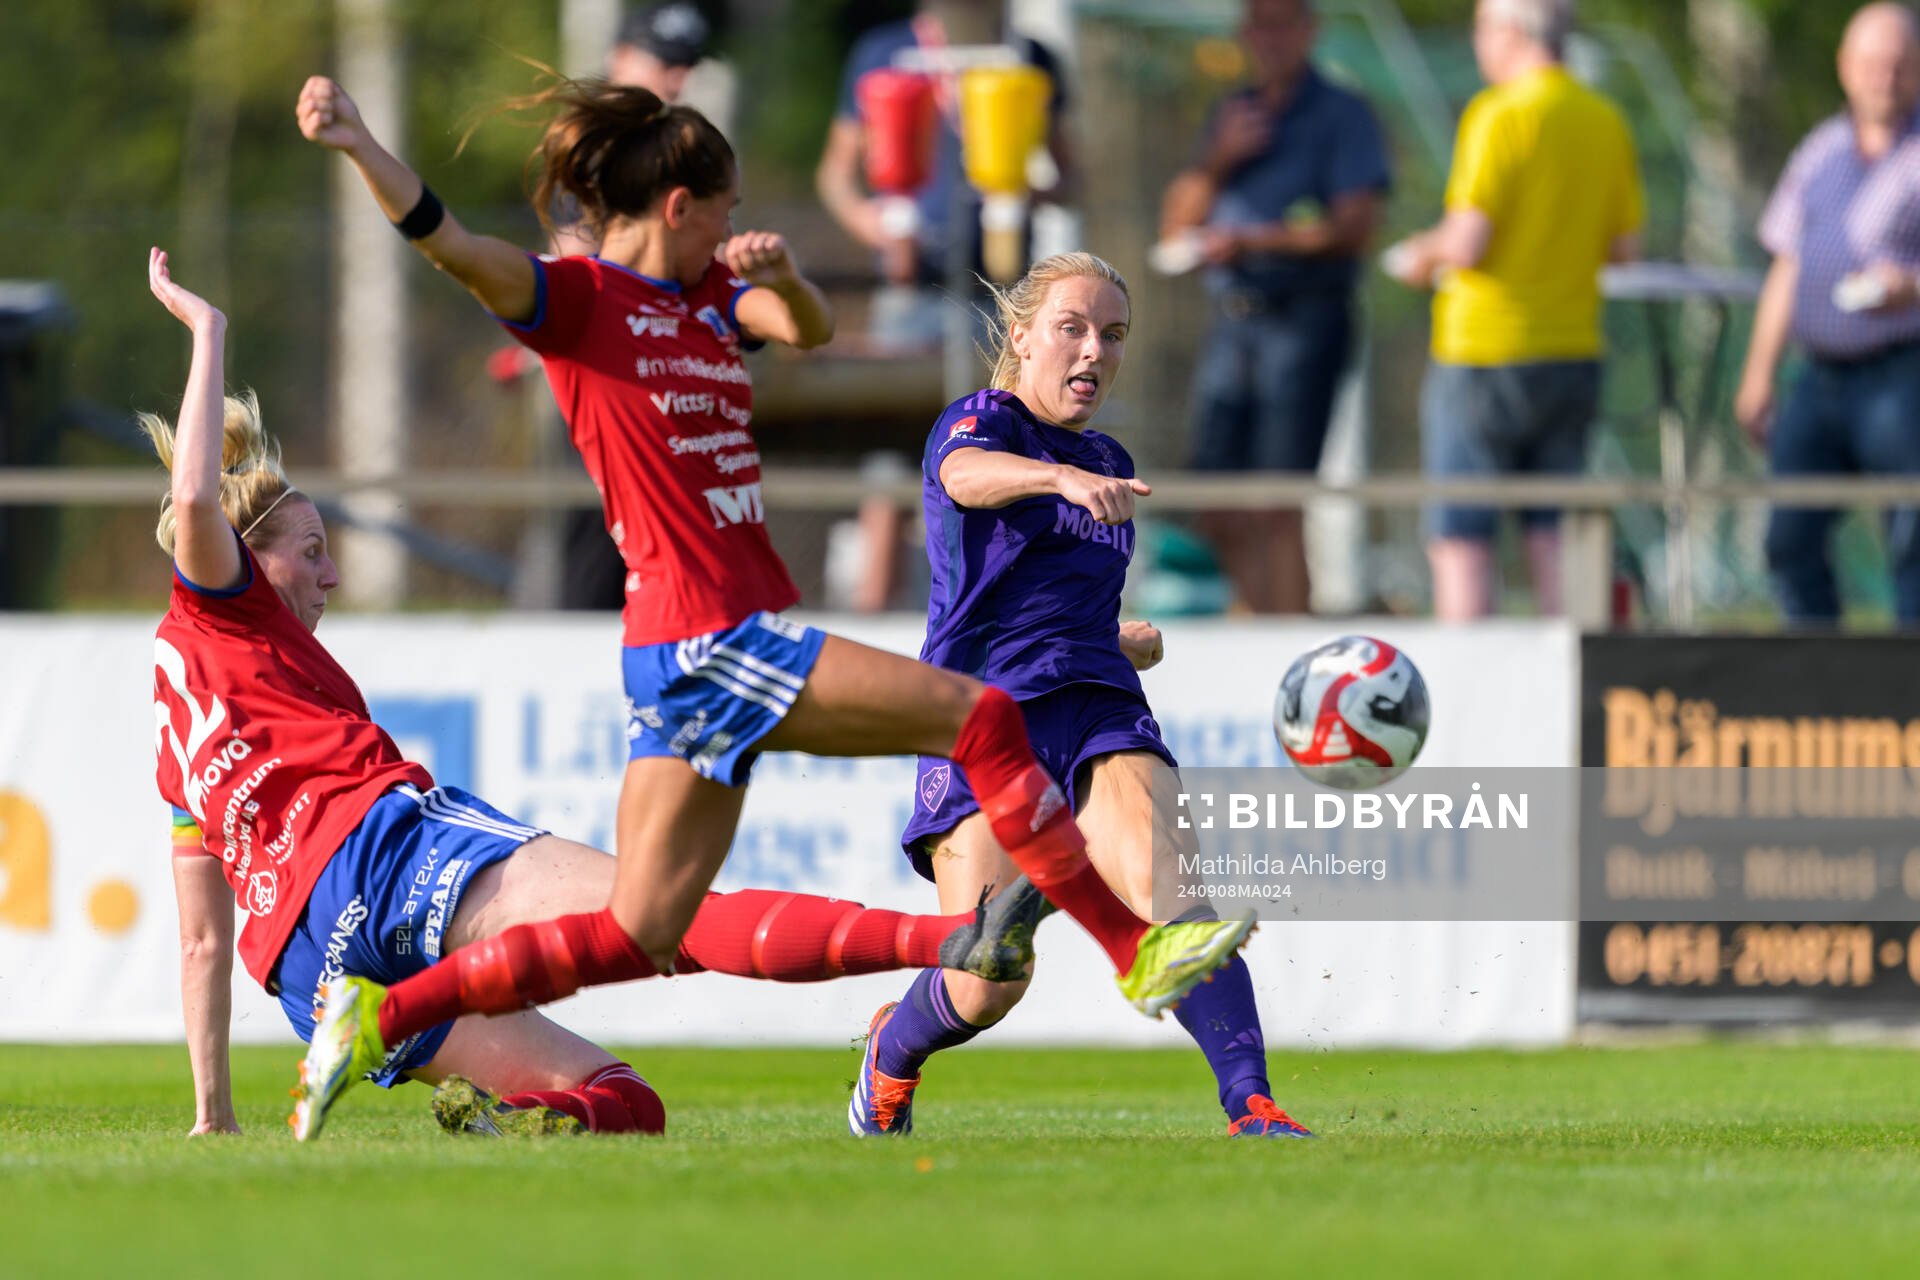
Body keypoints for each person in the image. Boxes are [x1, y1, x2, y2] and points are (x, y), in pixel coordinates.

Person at [291, 76, 1255, 1137]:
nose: (739, 227)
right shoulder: (579, 302)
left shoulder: (707, 300)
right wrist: (357, 143)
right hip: (709, 633)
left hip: (685, 658)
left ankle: (382, 1012)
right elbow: (447, 240)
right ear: (678, 208)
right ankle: (1133, 945)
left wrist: (785, 277)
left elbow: (805, 327)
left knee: (640, 930)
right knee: (976, 715)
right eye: (731, 209)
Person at [144, 248, 1047, 1139]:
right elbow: (193, 502)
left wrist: (211, 1115)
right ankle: (949, 941)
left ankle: (507, 1128)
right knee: (671, 923)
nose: (330, 574)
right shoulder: (226, 607)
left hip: (314, 970)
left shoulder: (175, 732)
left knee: (622, 1103)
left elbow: (200, 942)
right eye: (310, 551)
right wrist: (209, 332)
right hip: (378, 853)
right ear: (243, 560)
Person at [846, 252, 1309, 1140]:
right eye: (1073, 328)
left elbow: (1057, 596)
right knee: (986, 977)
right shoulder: (980, 422)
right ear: (1021, 337)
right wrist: (1055, 477)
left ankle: (1251, 1107)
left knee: (1174, 895)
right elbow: (963, 479)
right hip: (980, 717)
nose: (1093, 351)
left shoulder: (1108, 459)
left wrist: (1119, 634)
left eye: (1113, 335)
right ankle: (890, 1060)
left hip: (1096, 701)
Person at [1386, 0, 1642, 620]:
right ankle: (1574, 698)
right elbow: (1623, 250)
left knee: (1462, 536)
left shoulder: (1499, 112)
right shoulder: (1604, 118)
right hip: (1573, 349)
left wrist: (1421, 253)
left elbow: (1468, 241)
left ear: (1510, 32)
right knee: (1555, 535)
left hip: (1485, 351)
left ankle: (1469, 700)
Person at [1160, 0, 1389, 616]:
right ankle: (1256, 625)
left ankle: (1288, 638)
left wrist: (1251, 241)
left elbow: (1355, 226)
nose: (1268, 38)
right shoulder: (1232, 114)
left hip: (1304, 320)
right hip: (1231, 327)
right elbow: (1176, 223)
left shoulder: (1343, 114)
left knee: (1277, 502)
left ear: (1309, 30)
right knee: (1219, 506)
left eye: (1282, 22)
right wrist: (1218, 158)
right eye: (1258, 24)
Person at [1735, 2, 1920, 627]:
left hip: (1902, 374)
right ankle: (1816, 684)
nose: (1883, 77)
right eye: (1872, 64)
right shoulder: (1818, 154)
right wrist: (1760, 373)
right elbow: (1787, 265)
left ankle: (1906, 689)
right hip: (1818, 378)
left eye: (1897, 65)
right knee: (1788, 537)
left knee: (1912, 541)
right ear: (1846, 68)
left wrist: (1912, 288)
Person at [815, 0, 1071, 293]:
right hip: (910, 287)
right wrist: (868, 222)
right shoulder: (882, 51)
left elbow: (1070, 175)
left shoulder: (1030, 57)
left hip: (1003, 289)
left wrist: (1020, 198)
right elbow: (836, 173)